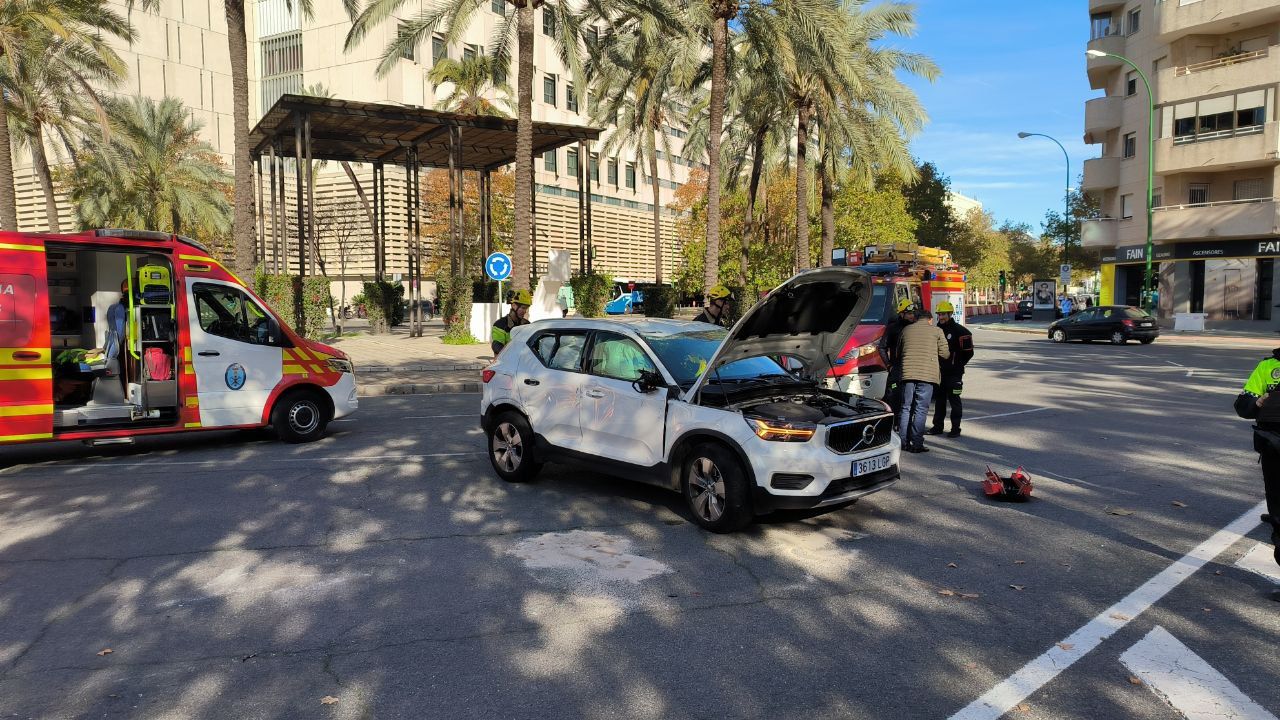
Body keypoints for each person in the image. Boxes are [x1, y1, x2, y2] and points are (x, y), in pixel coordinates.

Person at [1233, 349, 1280, 583]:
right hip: (1274, 445)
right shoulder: (1268, 367)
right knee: (1277, 502)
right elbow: (1243, 405)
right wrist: (1257, 402)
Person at [896, 304, 949, 453]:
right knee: (921, 408)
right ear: (930, 320)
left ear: (916, 319)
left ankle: (902, 442)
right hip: (927, 375)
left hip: (907, 374)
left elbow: (898, 352)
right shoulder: (937, 331)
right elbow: (945, 354)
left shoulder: (906, 330)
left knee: (906, 407)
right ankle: (917, 443)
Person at [928, 301, 974, 438]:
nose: (941, 317)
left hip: (954, 374)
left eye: (943, 314)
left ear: (950, 314)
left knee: (955, 401)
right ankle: (937, 427)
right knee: (939, 401)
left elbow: (969, 353)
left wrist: (958, 364)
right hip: (939, 373)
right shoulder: (935, 330)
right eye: (939, 314)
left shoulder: (961, 331)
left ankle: (955, 428)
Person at [882, 298, 917, 417]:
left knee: (912, 401)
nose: (912, 316)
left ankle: (908, 424)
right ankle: (895, 422)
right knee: (894, 398)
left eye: (913, 313)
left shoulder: (916, 328)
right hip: (896, 370)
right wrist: (889, 365)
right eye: (909, 313)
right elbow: (882, 347)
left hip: (913, 370)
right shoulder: (893, 328)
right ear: (901, 314)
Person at [491, 289, 532, 356]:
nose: (525, 311)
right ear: (514, 305)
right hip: (506, 361)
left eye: (526, 308)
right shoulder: (500, 325)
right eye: (523, 308)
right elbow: (497, 346)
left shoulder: (527, 325)